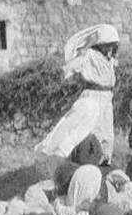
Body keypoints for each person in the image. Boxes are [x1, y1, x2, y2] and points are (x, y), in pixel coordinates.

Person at [36, 24, 120, 162]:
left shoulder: (109, 59)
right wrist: (61, 73)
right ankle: (88, 164)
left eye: (113, 45)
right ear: (101, 44)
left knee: (108, 136)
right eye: (108, 45)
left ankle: (105, 165)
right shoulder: (89, 56)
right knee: (94, 134)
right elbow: (72, 66)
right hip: (94, 96)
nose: (111, 48)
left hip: (107, 98)